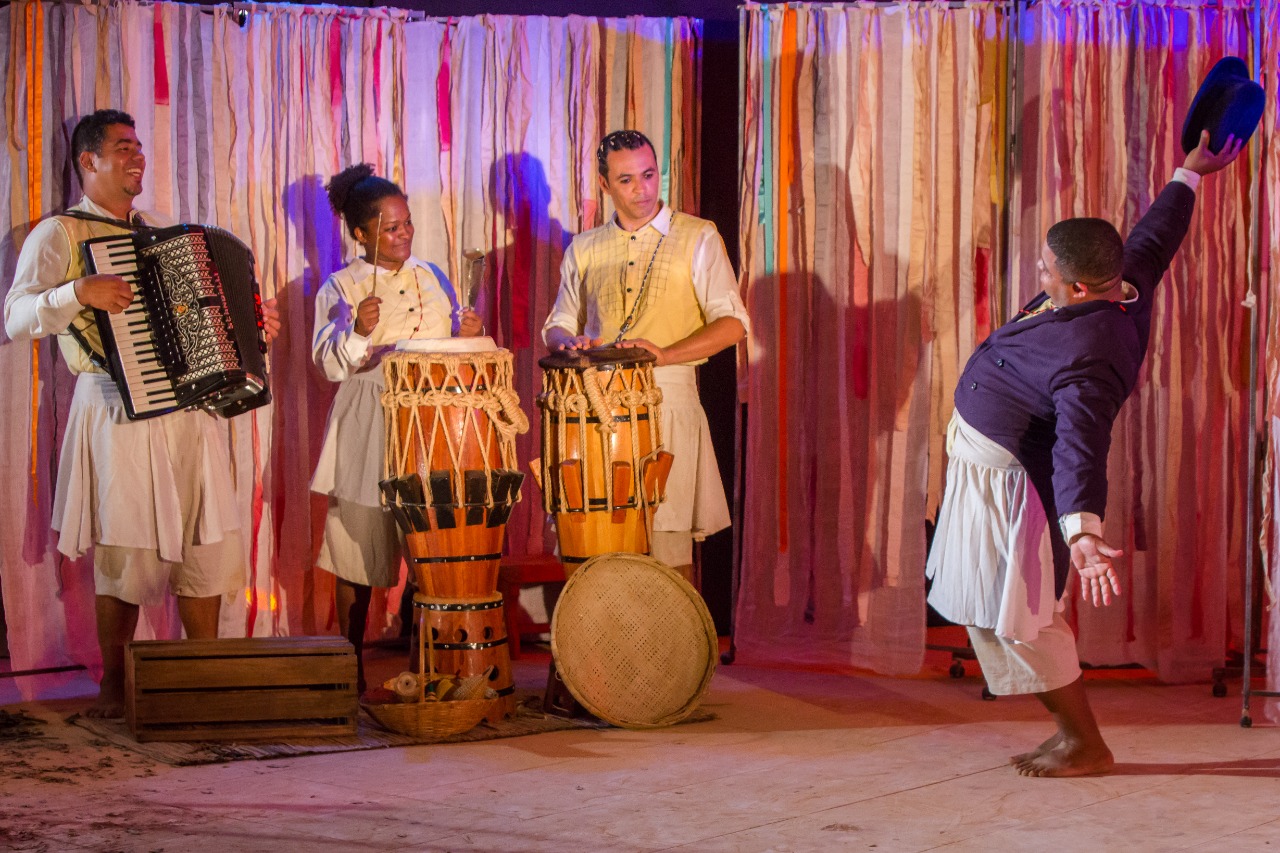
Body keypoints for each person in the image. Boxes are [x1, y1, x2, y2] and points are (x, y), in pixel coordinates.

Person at [925, 129, 1244, 777]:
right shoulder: (1122, 281)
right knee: (1000, 616)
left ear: (1074, 288)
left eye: (1046, 269)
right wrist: (1189, 173)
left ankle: (1085, 743)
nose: (1039, 274)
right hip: (985, 475)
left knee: (1023, 620)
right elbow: (1155, 237)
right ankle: (1071, 735)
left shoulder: (1091, 356)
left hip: (1011, 491)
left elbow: (1081, 443)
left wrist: (1084, 532)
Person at [3, 109, 282, 718]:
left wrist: (250, 323)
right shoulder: (59, 233)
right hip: (114, 403)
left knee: (206, 537)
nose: (138, 157)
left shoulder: (157, 231)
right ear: (89, 160)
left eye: (138, 147)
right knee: (125, 547)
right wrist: (78, 291)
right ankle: (114, 683)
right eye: (123, 147)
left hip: (185, 404)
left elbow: (201, 317)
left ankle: (205, 677)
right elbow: (15, 317)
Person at [542, 130, 749, 578]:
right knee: (599, 557)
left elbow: (733, 324)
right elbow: (558, 323)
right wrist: (567, 343)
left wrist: (665, 355)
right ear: (604, 185)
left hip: (668, 402)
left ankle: (677, 630)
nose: (643, 189)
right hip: (595, 412)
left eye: (649, 175)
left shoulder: (698, 236)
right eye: (627, 180)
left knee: (669, 559)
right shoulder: (584, 247)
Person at [311, 164, 482, 693]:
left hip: (430, 421)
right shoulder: (340, 286)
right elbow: (329, 366)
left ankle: (431, 666)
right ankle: (350, 666)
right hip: (369, 420)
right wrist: (359, 333)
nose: (404, 233)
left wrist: (468, 332)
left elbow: (449, 348)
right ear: (360, 233)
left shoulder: (431, 275)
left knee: (430, 545)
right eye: (390, 228)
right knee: (358, 547)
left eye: (406, 223)